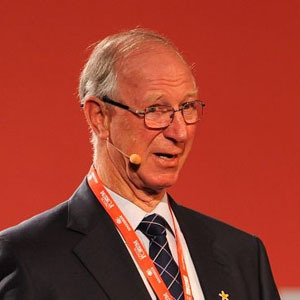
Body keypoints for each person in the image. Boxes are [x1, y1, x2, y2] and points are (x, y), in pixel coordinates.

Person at [0, 29, 280, 300]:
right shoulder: (29, 258)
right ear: (100, 117)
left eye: (187, 107)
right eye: (156, 110)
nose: (179, 132)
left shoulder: (242, 256)